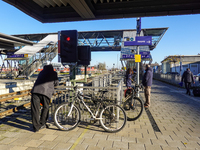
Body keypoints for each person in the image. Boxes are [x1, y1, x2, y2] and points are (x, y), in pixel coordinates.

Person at [31, 64, 59, 132]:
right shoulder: (54, 73)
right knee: (45, 108)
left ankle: (36, 127)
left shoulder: (41, 72)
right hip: (46, 93)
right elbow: (56, 83)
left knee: (35, 109)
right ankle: (42, 123)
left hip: (35, 91)